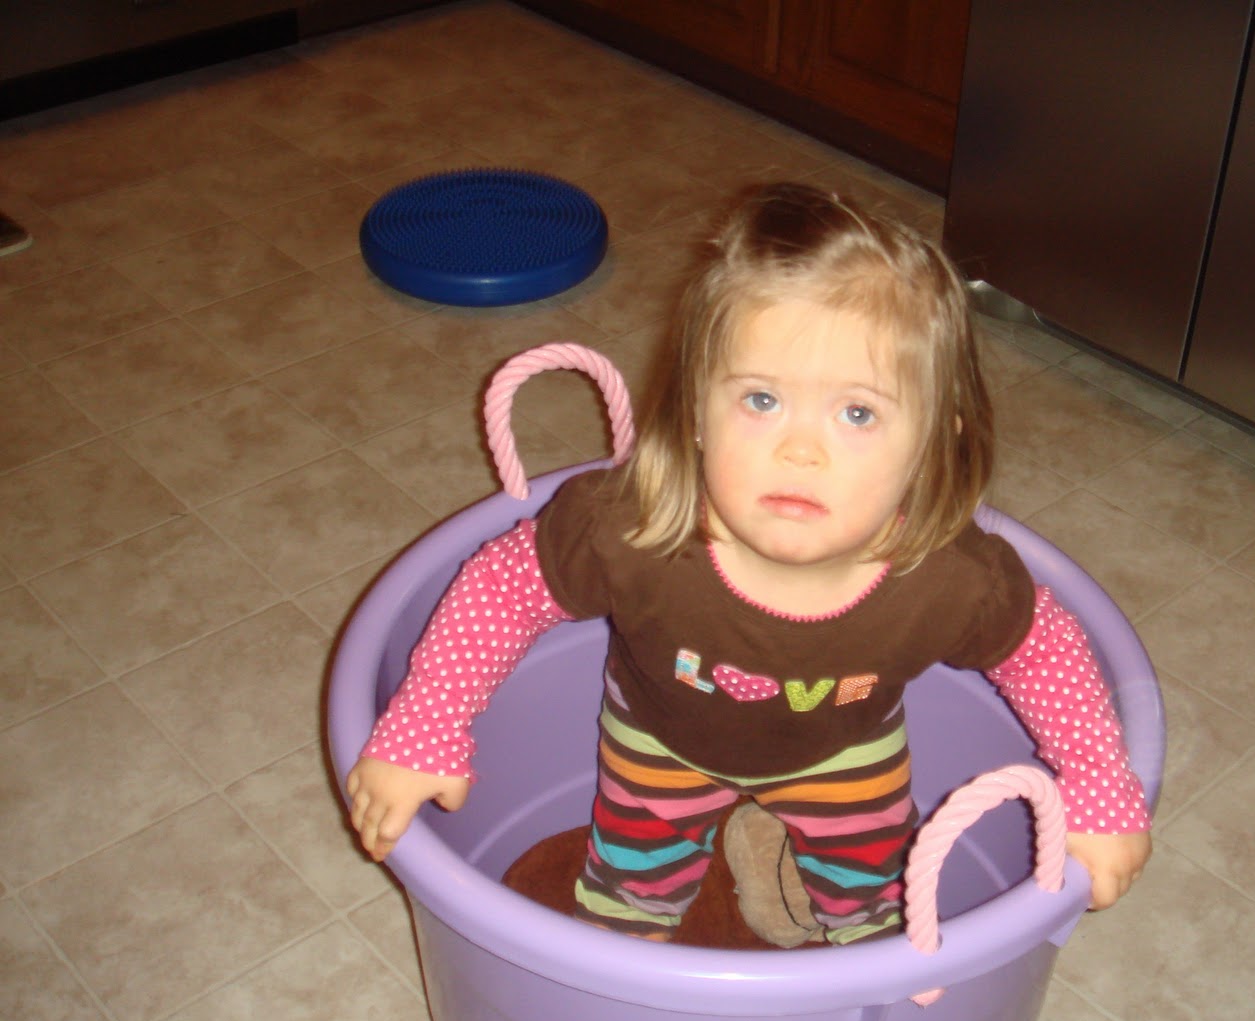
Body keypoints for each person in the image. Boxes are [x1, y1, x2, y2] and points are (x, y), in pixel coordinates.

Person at [346, 182, 1151, 944]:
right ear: (695, 409)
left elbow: (1043, 647)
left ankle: (832, 919)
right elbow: (507, 585)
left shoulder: (947, 578)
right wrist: (425, 726)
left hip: (846, 752)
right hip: (658, 736)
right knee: (629, 888)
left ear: (937, 444)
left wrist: (1098, 786)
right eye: (760, 399)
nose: (799, 448)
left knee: (874, 900)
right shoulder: (635, 525)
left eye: (859, 412)